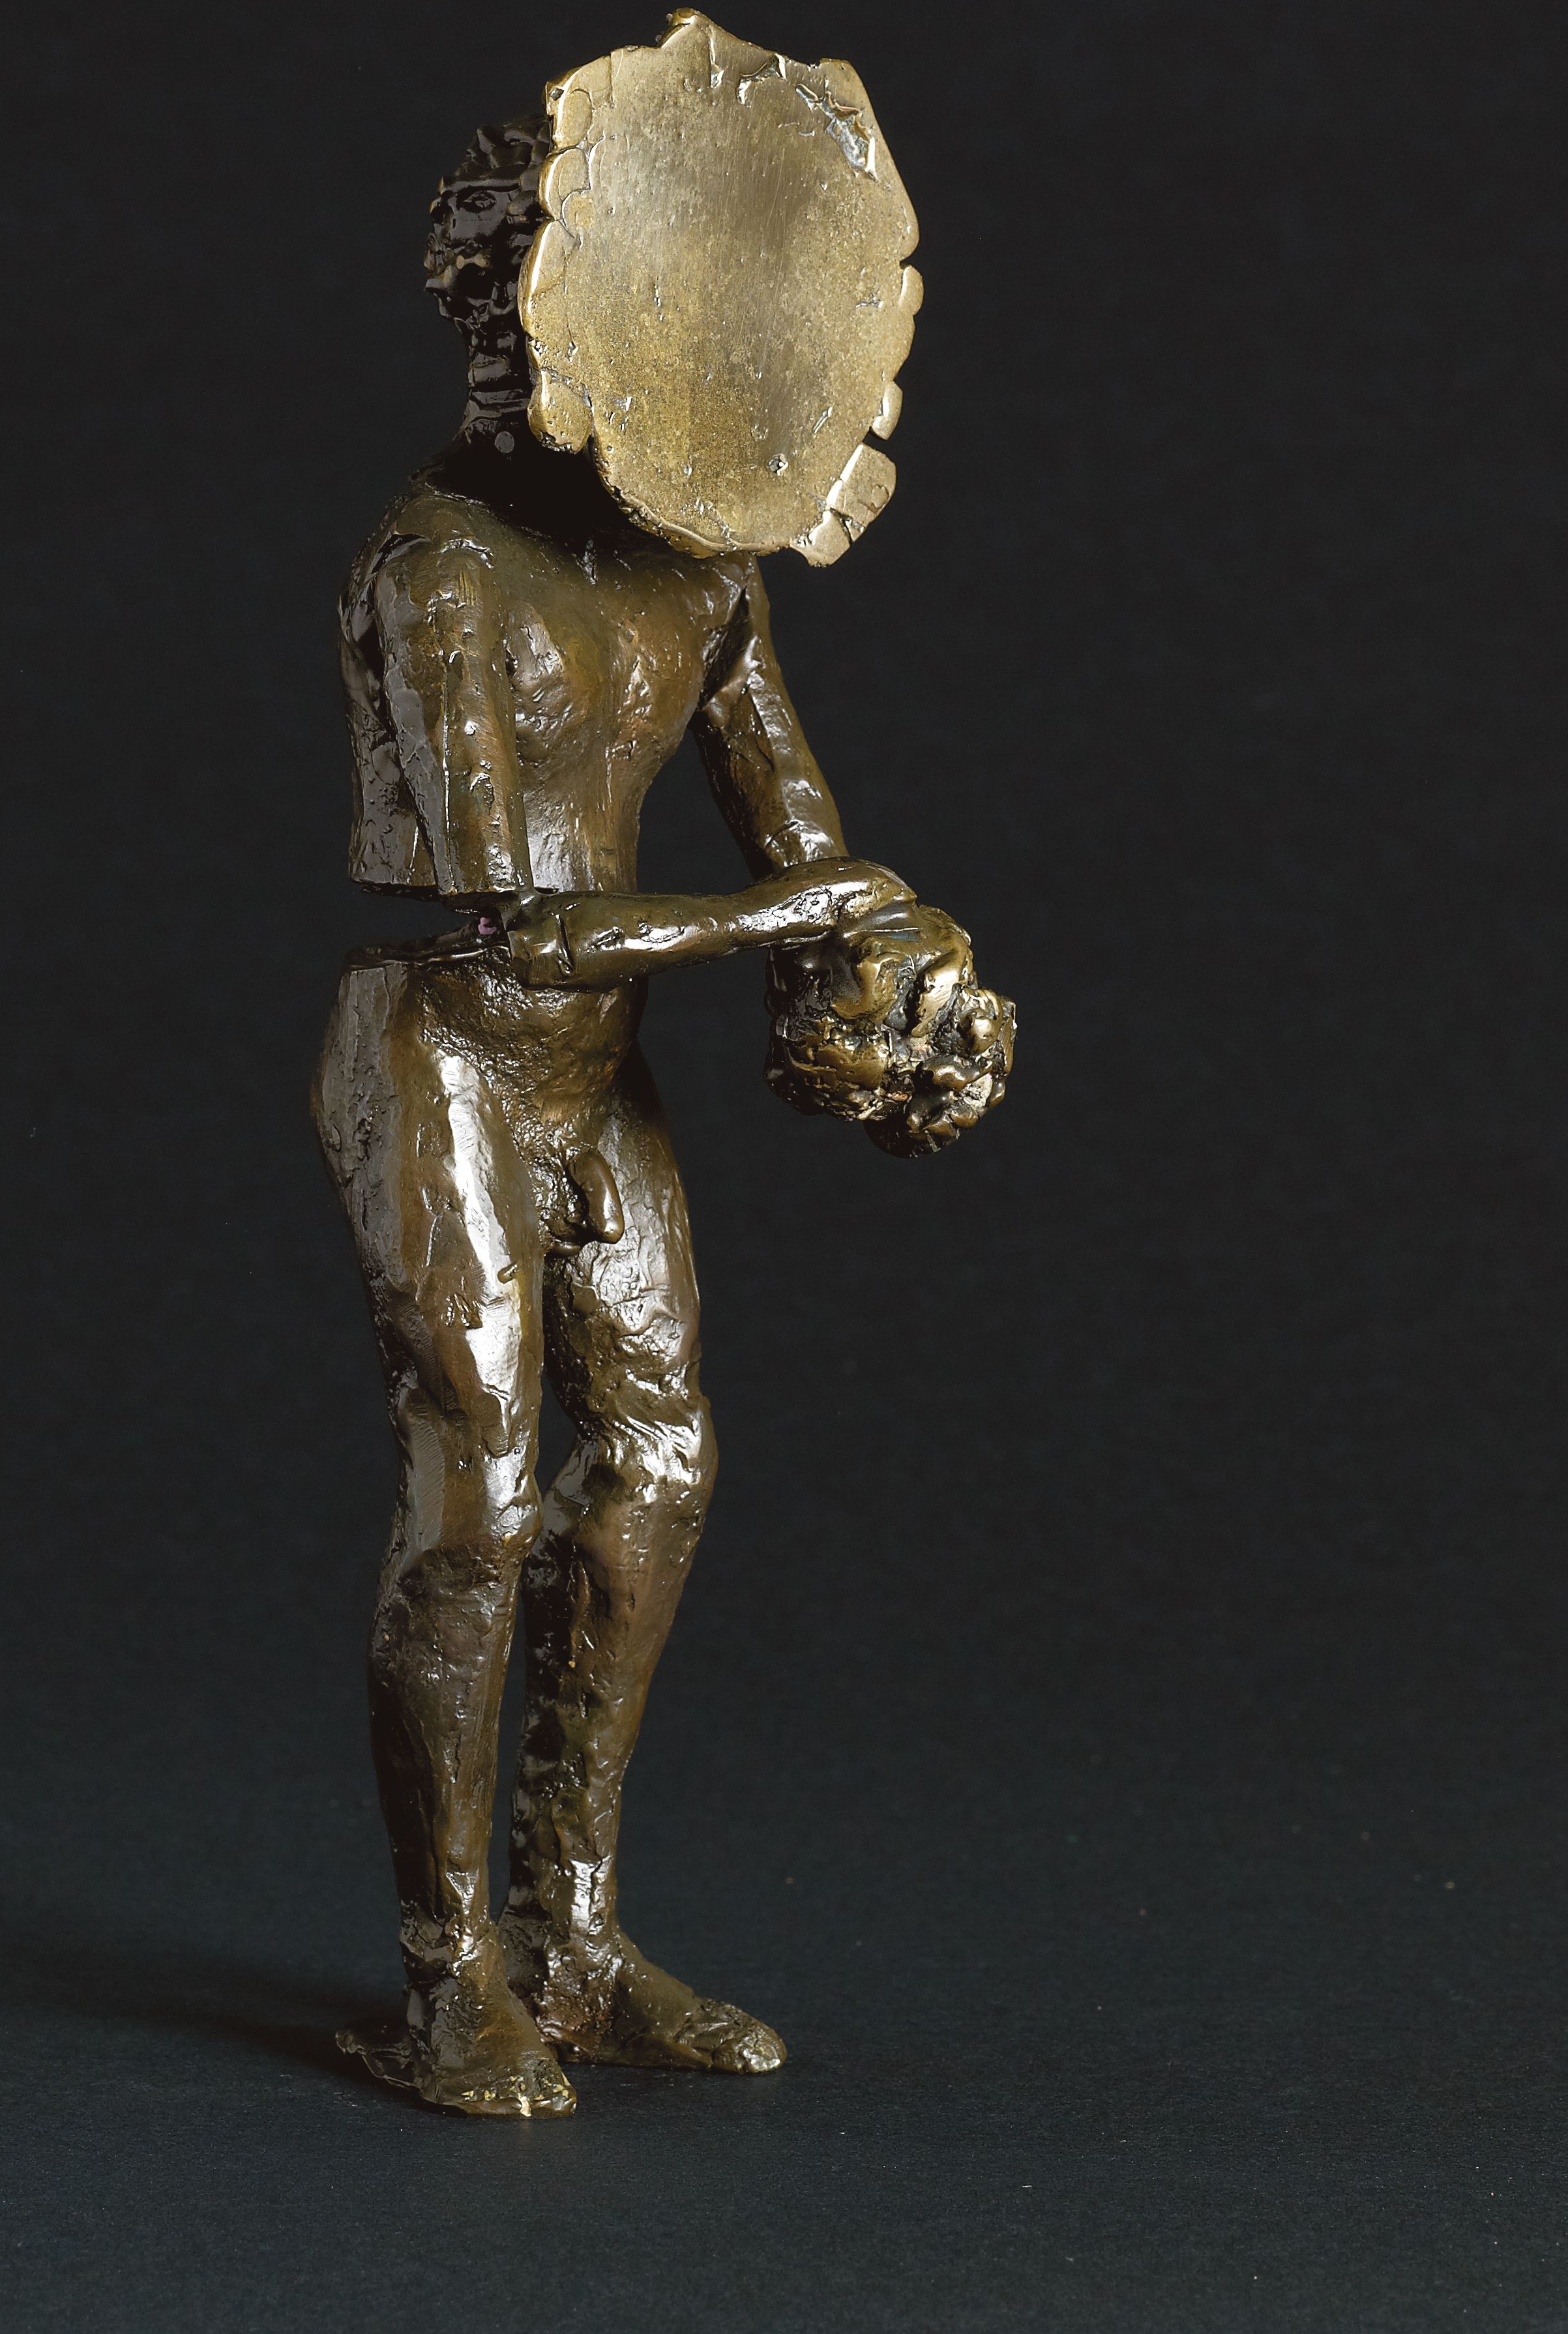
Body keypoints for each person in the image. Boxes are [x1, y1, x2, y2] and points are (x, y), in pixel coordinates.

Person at [313, 113, 935, 2118]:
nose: (526, 344)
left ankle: (573, 1934)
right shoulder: (436, 566)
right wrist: (793, 918)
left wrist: (893, 961)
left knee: (659, 1462)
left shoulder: (701, 569)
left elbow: (804, 833)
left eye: (562, 295)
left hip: (593, 1070)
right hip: (448, 1055)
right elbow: (516, 917)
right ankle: (447, 1971)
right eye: (497, 304)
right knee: (475, 1500)